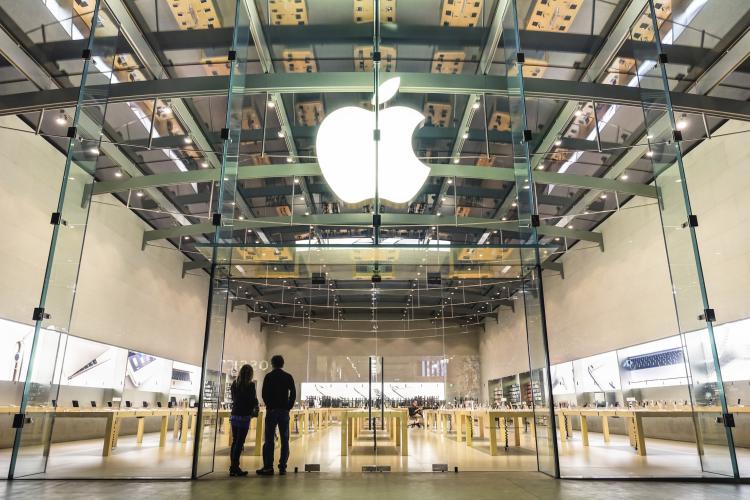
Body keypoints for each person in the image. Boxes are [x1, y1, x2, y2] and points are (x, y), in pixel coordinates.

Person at [257, 355, 296, 476]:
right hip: (284, 411)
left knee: (269, 439)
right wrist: (288, 406)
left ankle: (268, 467)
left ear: (272, 364)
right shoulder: (288, 376)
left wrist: (270, 406)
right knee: (285, 440)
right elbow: (293, 393)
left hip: (272, 411)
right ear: (282, 364)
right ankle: (283, 467)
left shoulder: (269, 376)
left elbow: (264, 394)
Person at [229, 364, 259, 476]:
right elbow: (252, 400)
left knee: (235, 441)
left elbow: (233, 398)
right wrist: (255, 406)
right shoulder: (250, 385)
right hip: (244, 416)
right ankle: (235, 467)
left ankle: (233, 467)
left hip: (235, 414)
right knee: (240, 442)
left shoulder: (235, 384)